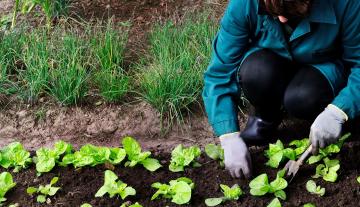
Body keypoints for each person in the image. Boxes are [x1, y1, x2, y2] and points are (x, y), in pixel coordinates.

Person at [202, 0, 360, 179]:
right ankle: (265, 119)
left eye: (291, 14)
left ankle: (321, 120)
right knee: (256, 73)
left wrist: (339, 110)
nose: (283, 20)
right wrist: (227, 135)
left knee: (302, 98)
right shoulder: (245, 3)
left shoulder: (347, 3)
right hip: (270, 61)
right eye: (276, 13)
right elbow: (219, 72)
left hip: (322, 66)